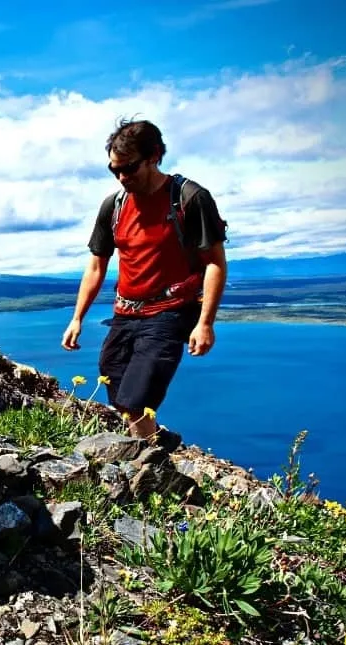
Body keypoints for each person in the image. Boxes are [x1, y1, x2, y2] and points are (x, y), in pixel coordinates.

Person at [61, 118, 228, 452]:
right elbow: (97, 264)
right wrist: (77, 317)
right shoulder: (115, 206)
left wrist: (205, 323)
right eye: (114, 170)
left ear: (154, 156)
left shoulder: (189, 198)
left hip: (170, 311)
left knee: (137, 400)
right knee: (116, 390)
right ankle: (156, 444)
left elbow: (214, 262)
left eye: (129, 168)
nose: (122, 177)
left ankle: (150, 465)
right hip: (125, 311)